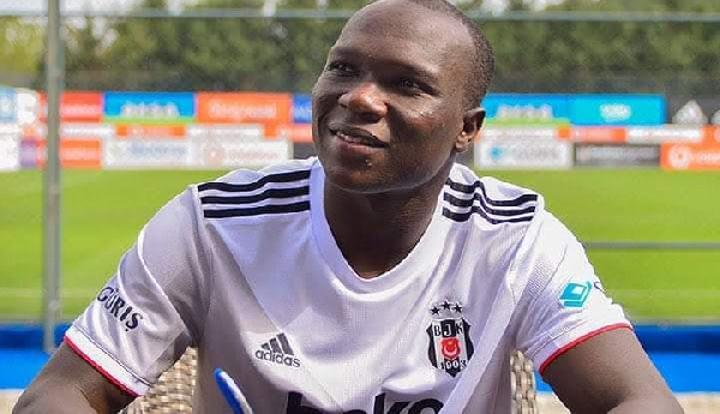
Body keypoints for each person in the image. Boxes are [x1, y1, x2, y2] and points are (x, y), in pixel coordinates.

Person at [15, 0, 682, 412]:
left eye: (406, 84)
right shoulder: (211, 224)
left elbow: (638, 398)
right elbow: (59, 393)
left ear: (466, 129)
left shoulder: (517, 238)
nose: (359, 97)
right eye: (342, 68)